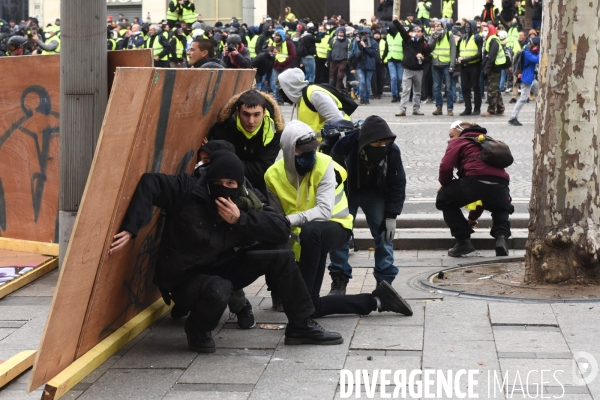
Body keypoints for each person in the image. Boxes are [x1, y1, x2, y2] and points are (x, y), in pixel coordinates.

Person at [110, 151, 345, 350]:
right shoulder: (188, 190)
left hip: (221, 266)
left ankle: (301, 325)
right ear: (210, 181)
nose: (224, 189)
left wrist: (240, 219)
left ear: (238, 185)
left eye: (231, 184)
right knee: (218, 290)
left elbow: (279, 228)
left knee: (281, 253)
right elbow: (151, 182)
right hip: (185, 278)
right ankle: (197, 329)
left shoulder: (244, 199)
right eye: (219, 183)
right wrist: (131, 229)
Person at [264, 121, 413, 318]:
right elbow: (277, 220)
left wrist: (391, 214)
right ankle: (376, 299)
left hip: (334, 225)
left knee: (379, 236)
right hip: (304, 237)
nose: (310, 155)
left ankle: (382, 280)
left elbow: (324, 212)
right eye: (303, 150)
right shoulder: (273, 175)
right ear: (289, 149)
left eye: (312, 149)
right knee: (310, 305)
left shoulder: (325, 165)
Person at [328, 116, 406, 293]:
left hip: (375, 194)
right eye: (377, 144)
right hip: (346, 193)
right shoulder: (344, 147)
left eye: (384, 144)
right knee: (339, 235)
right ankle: (339, 278)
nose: (381, 147)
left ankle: (385, 282)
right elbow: (329, 178)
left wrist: (391, 215)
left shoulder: (392, 151)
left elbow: (398, 183)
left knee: (384, 236)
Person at [436, 121, 513, 257]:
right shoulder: (489, 141)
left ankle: (463, 241)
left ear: (460, 132)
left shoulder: (459, 142)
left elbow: (446, 167)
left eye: (451, 135)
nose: (450, 139)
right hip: (500, 183)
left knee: (444, 198)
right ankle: (501, 239)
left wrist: (445, 183)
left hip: (475, 181)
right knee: (501, 208)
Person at [207, 90, 284, 195]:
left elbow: (259, 170)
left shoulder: (275, 133)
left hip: (257, 186)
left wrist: (232, 161)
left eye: (256, 115)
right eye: (246, 114)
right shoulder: (223, 128)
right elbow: (221, 167)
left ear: (264, 113)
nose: (251, 121)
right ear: (238, 112)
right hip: (226, 185)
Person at [278, 68, 351, 134]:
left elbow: (337, 120)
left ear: (291, 86)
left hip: (333, 142)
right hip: (315, 146)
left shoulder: (315, 95)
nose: (280, 89)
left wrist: (328, 144)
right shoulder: (300, 99)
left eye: (281, 86)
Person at [393, 20, 429, 117]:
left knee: (417, 91)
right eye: (415, 31)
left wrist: (423, 58)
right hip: (408, 69)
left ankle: (416, 109)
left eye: (418, 31)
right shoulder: (408, 41)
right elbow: (402, 31)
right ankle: (402, 109)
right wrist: (396, 21)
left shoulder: (425, 44)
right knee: (405, 90)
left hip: (418, 70)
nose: (416, 33)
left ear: (422, 33)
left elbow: (429, 58)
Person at [508, 36, 539, 126]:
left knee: (540, 95)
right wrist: (541, 52)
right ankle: (512, 117)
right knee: (523, 98)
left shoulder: (529, 51)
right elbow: (537, 60)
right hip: (526, 79)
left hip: (531, 79)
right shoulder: (527, 53)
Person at [429, 19, 457, 116]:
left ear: (443, 26)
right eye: (435, 26)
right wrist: (434, 39)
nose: (436, 28)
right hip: (435, 63)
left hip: (446, 64)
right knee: (436, 88)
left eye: (438, 26)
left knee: (448, 88)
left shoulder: (449, 35)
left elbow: (453, 50)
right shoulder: (433, 35)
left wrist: (452, 64)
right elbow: (429, 48)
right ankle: (439, 107)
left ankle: (450, 108)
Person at [457, 20, 483, 116]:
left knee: (476, 87)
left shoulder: (478, 38)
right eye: (466, 25)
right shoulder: (462, 38)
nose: (467, 27)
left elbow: (480, 54)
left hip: (474, 65)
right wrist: (458, 57)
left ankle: (477, 109)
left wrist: (467, 59)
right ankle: (467, 108)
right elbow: (457, 50)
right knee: (464, 87)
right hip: (464, 66)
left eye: (468, 25)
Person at [481, 24, 506, 117]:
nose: (484, 32)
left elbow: (491, 57)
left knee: (492, 90)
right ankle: (500, 108)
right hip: (493, 67)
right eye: (483, 30)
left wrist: (486, 69)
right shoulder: (490, 39)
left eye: (486, 30)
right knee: (495, 89)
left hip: (494, 68)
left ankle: (491, 110)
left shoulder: (493, 40)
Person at [272, 30, 296, 104]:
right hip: (276, 67)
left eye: (278, 36)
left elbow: (293, 54)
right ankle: (279, 99)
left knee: (285, 84)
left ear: (281, 36)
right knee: (276, 83)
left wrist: (284, 62)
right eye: (275, 35)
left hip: (285, 67)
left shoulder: (288, 43)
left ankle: (288, 98)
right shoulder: (273, 43)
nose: (276, 37)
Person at [355, 28, 379, 106]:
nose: (364, 35)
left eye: (366, 34)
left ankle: (367, 98)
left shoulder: (374, 42)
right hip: (361, 64)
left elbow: (373, 54)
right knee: (362, 82)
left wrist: (365, 46)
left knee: (367, 83)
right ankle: (362, 98)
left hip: (369, 65)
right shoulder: (360, 42)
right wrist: (358, 42)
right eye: (363, 34)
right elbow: (356, 51)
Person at [384, 21, 404, 103]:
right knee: (393, 78)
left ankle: (398, 93)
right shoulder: (388, 36)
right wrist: (383, 58)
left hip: (400, 60)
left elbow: (405, 47)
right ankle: (394, 95)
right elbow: (386, 48)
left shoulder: (401, 35)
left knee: (399, 78)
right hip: (391, 59)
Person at [372, 29, 388, 100]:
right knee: (373, 79)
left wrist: (384, 61)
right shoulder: (371, 42)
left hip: (381, 63)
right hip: (373, 63)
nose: (377, 35)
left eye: (378, 34)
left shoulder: (383, 42)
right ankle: (374, 93)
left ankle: (379, 93)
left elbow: (386, 51)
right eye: (375, 34)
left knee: (381, 79)